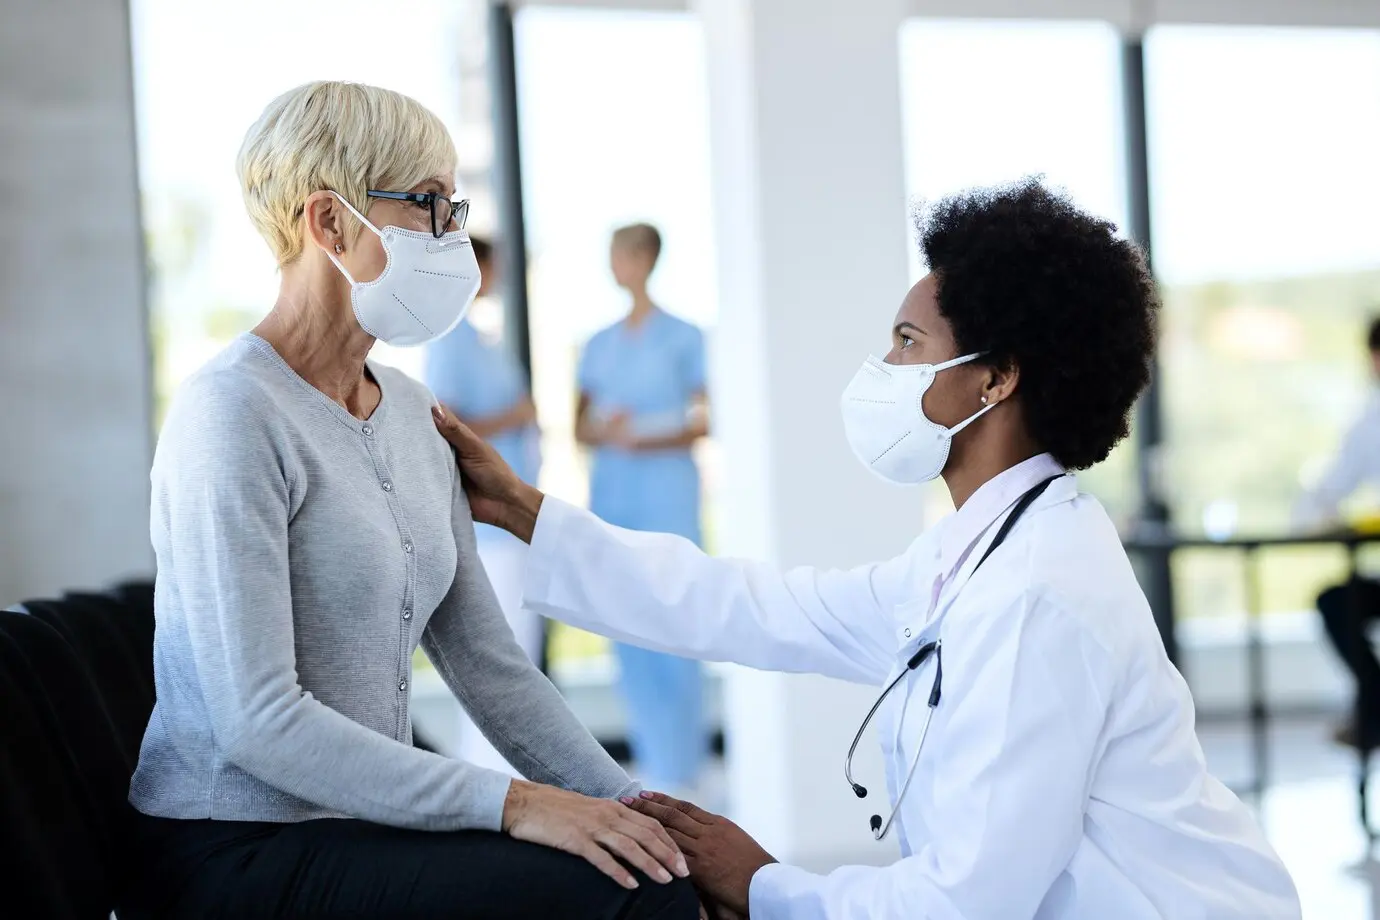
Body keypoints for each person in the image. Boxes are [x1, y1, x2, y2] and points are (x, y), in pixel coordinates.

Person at [434, 180, 1301, 919]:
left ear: (996, 379)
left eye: (908, 344)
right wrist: (525, 509)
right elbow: (758, 606)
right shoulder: (979, 552)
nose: (881, 366)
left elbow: (966, 901)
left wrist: (764, 883)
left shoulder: (1038, 591)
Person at [121, 81, 694, 920]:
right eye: (428, 204)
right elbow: (258, 722)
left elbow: (491, 667)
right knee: (627, 901)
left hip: (364, 826)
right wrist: (524, 804)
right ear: (330, 223)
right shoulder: (231, 414)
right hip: (234, 846)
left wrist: (641, 811)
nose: (451, 236)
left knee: (659, 872)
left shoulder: (411, 411)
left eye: (452, 208)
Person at [575, 223, 710, 798]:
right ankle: (650, 768)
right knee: (625, 626)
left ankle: (685, 766)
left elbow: (705, 419)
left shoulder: (685, 337)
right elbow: (581, 424)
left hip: (667, 496)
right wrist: (608, 431)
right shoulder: (598, 344)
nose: (616, 266)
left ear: (648, 259)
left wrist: (645, 435)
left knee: (675, 620)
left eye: (623, 255)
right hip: (614, 498)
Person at [425, 235, 545, 776]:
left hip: (514, 523)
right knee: (499, 660)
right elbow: (445, 420)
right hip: (489, 527)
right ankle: (495, 779)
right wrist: (515, 416)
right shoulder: (449, 341)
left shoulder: (480, 338)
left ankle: (513, 775)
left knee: (518, 655)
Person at [1296, 316, 1380, 748]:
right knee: (1338, 601)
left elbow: (1325, 492)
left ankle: (1375, 707)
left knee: (1335, 603)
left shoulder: (1373, 417)